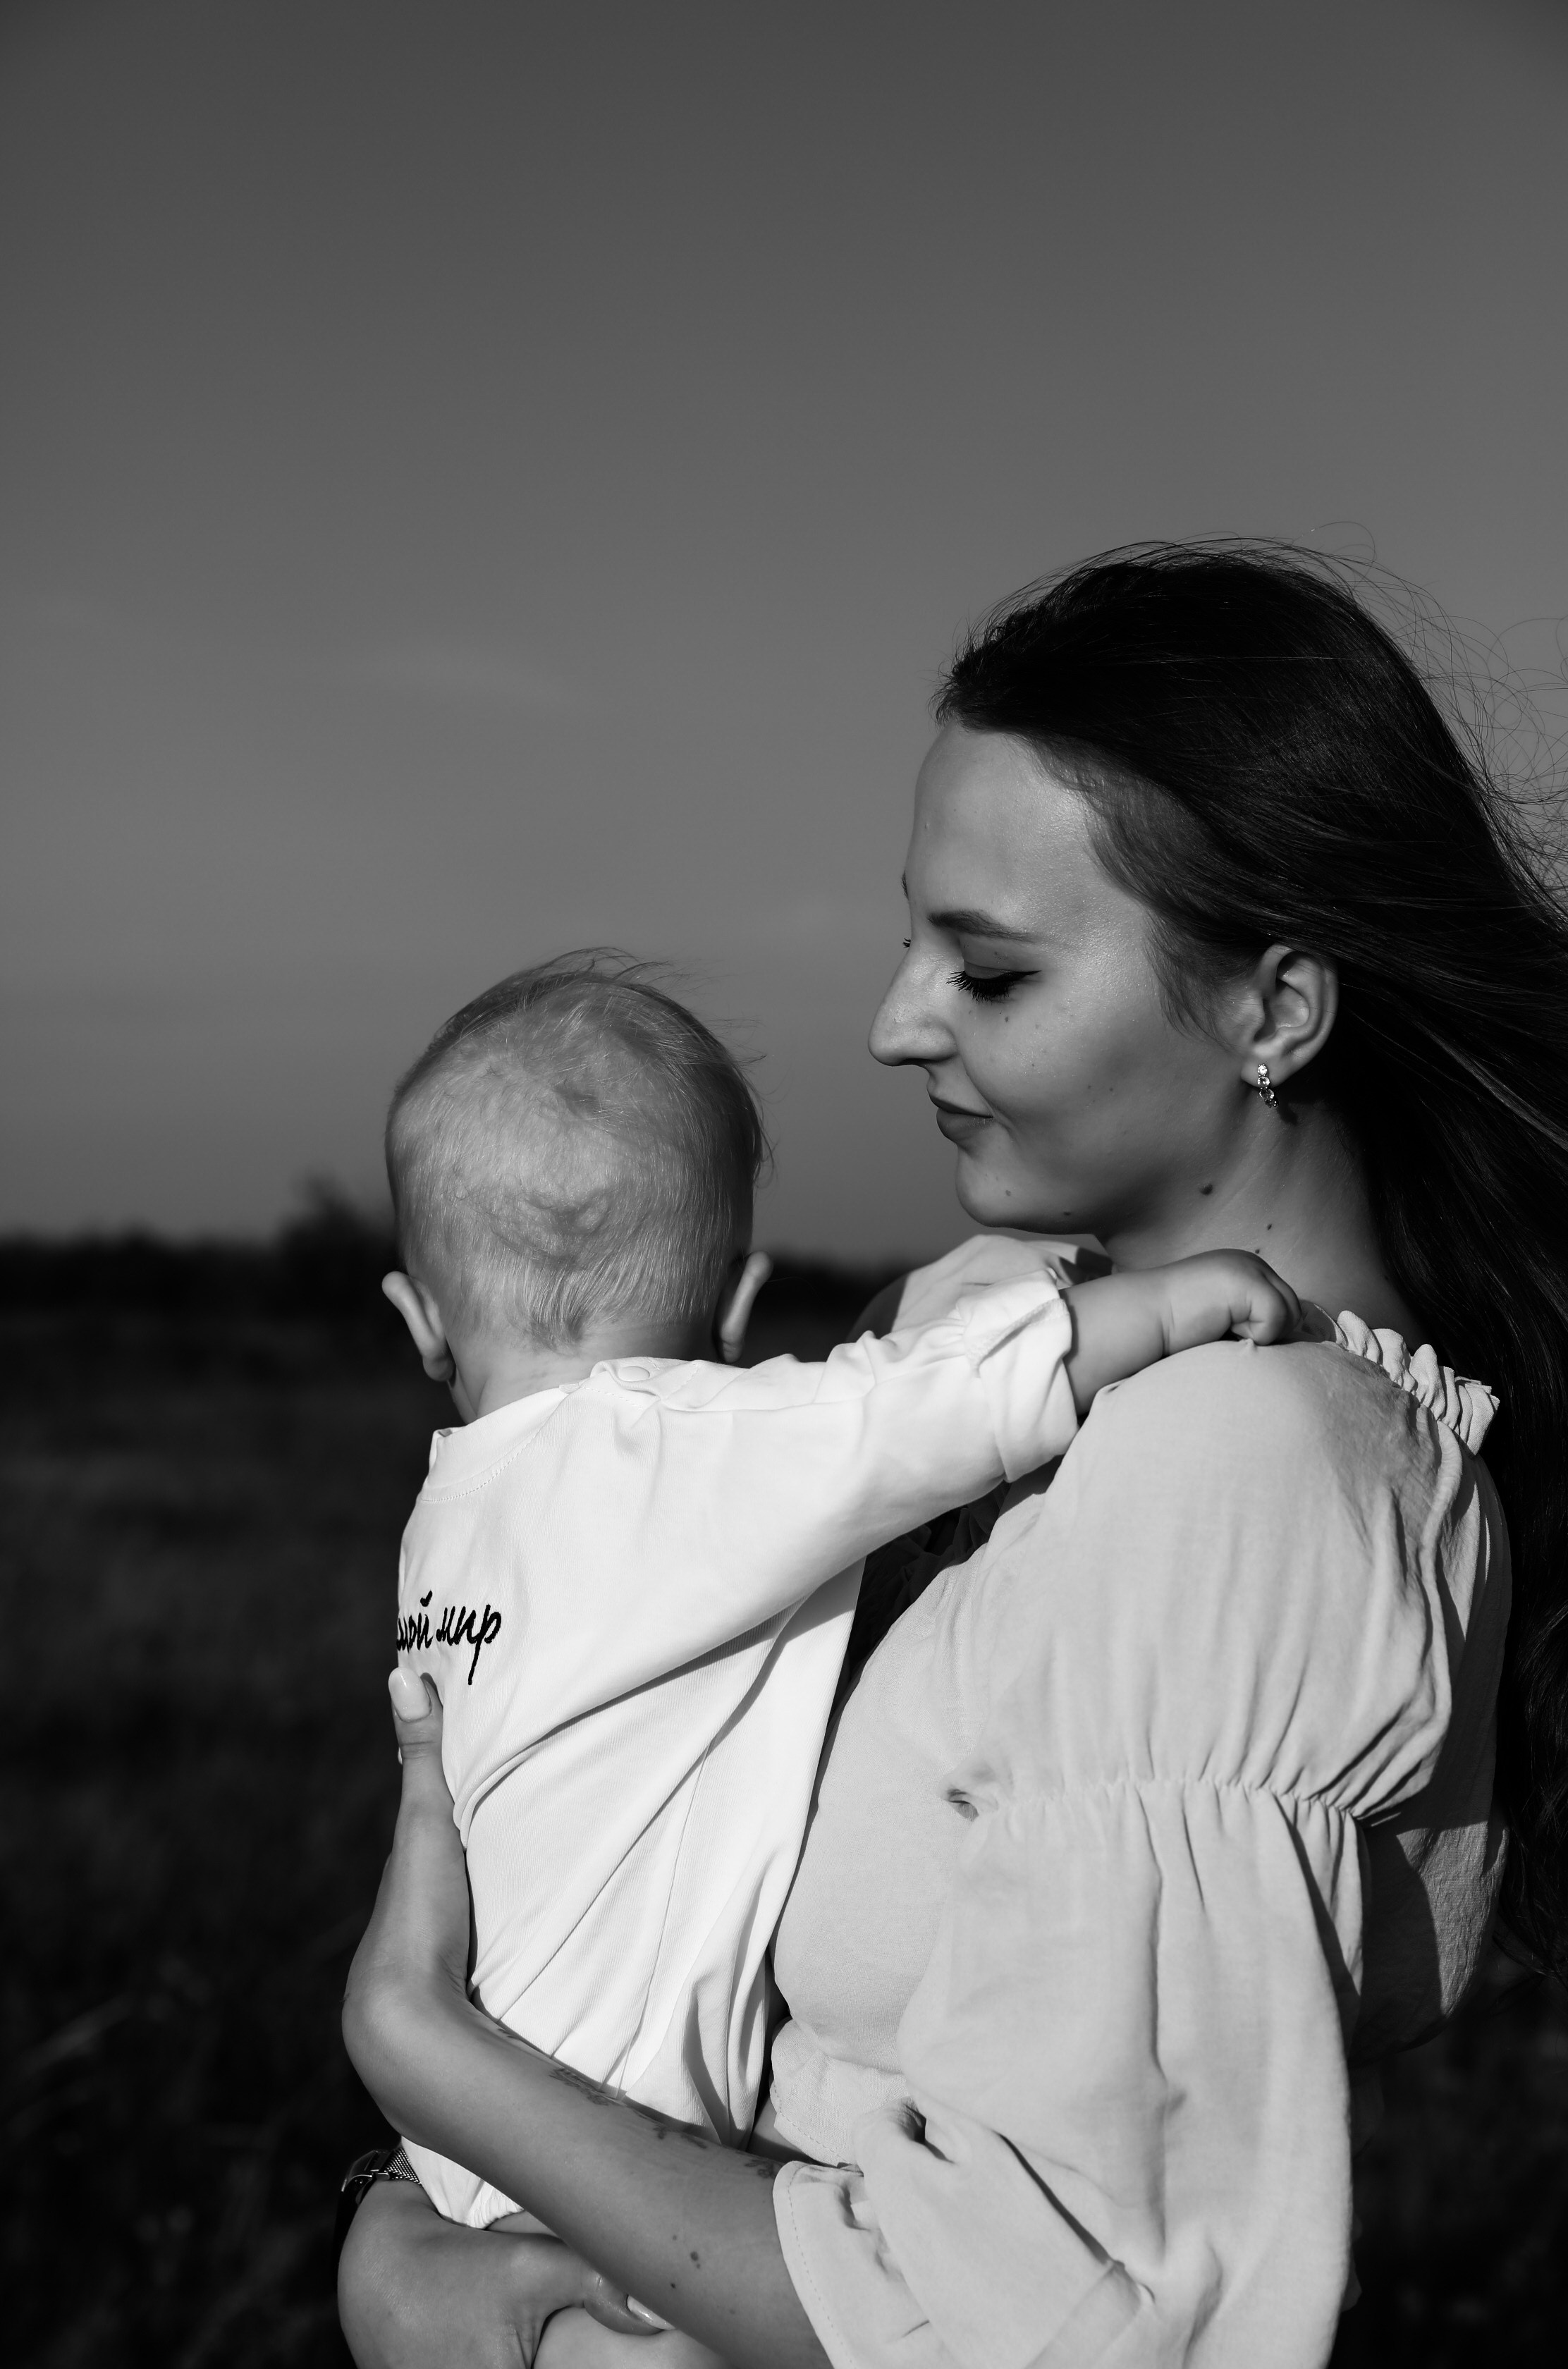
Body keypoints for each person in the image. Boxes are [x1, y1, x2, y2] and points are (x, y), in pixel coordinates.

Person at [338, 545, 1568, 2369]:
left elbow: (1036, 2323)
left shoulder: (1253, 1485)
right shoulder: (987, 1322)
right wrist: (408, 2239)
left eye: (987, 973)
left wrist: (425, 2070)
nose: (894, 1021)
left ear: (1275, 1011)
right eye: (915, 937)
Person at [376, 954, 1301, 2234]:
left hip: (459, 2136)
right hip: (611, 2144)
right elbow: (922, 1405)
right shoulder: (676, 1453)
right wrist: (1167, 1305)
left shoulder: (448, 1518)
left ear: (420, 1320)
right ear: (744, 1304)